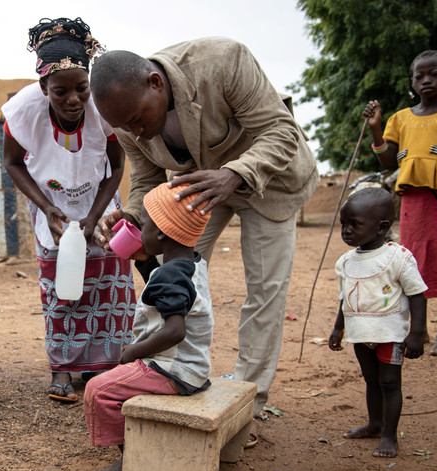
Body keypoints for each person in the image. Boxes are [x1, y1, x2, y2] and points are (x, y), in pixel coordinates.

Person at [90, 39, 319, 445]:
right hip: (198, 192)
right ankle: (174, 375)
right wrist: (133, 217)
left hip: (271, 182)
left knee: (265, 292)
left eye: (139, 120)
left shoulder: (223, 62)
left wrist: (235, 174)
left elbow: (282, 131)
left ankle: (249, 404)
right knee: (174, 273)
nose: (136, 132)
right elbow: (145, 181)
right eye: (125, 127)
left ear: (156, 83)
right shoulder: (128, 118)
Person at [1, 17, 135, 403]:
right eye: (60, 91)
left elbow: (117, 166)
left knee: (108, 284)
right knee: (60, 285)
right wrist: (46, 208)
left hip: (99, 198)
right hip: (50, 203)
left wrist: (94, 217)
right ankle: (62, 367)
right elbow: (13, 163)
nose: (73, 100)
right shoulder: (22, 113)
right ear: (44, 87)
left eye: (81, 89)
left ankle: (105, 367)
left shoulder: (103, 108)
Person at [85, 182, 213, 471]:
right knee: (115, 379)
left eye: (143, 224)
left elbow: (175, 331)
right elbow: (163, 290)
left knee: (98, 390)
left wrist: (133, 352)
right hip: (192, 367)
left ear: (161, 234)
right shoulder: (188, 264)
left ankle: (130, 456)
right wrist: (142, 259)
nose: (139, 230)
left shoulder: (171, 275)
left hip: (173, 369)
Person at [362, 50, 437, 357]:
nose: (426, 79)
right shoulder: (400, 118)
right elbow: (387, 162)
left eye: (433, 74)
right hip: (412, 202)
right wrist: (376, 128)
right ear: (411, 82)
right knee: (413, 264)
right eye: (419, 75)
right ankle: (419, 329)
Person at [328, 188, 427, 457]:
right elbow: (345, 297)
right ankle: (374, 424)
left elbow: (417, 295)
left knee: (391, 383)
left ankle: (389, 436)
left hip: (391, 335)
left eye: (355, 225)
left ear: (382, 227)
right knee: (372, 381)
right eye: (343, 225)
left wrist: (417, 332)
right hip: (361, 334)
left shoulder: (398, 258)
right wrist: (339, 328)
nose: (346, 231)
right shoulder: (346, 262)